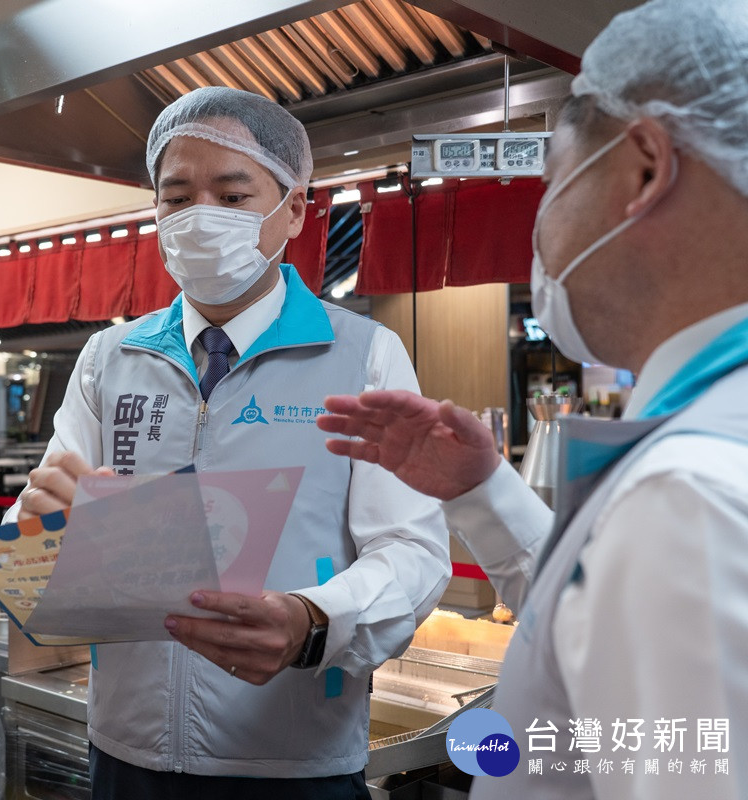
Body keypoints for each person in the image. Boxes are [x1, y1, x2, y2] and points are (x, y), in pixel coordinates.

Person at [318, 2, 748, 797]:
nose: (541, 228)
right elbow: (598, 623)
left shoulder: (688, 495)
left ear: (645, 166)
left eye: (553, 181)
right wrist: (484, 493)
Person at [10, 86, 450, 799]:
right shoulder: (109, 358)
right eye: (176, 197)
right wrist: (40, 525)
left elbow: (413, 549)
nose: (199, 218)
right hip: (126, 751)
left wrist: (312, 620)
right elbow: (38, 544)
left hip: (291, 757)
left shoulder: (363, 356)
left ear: (295, 209)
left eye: (232, 195)